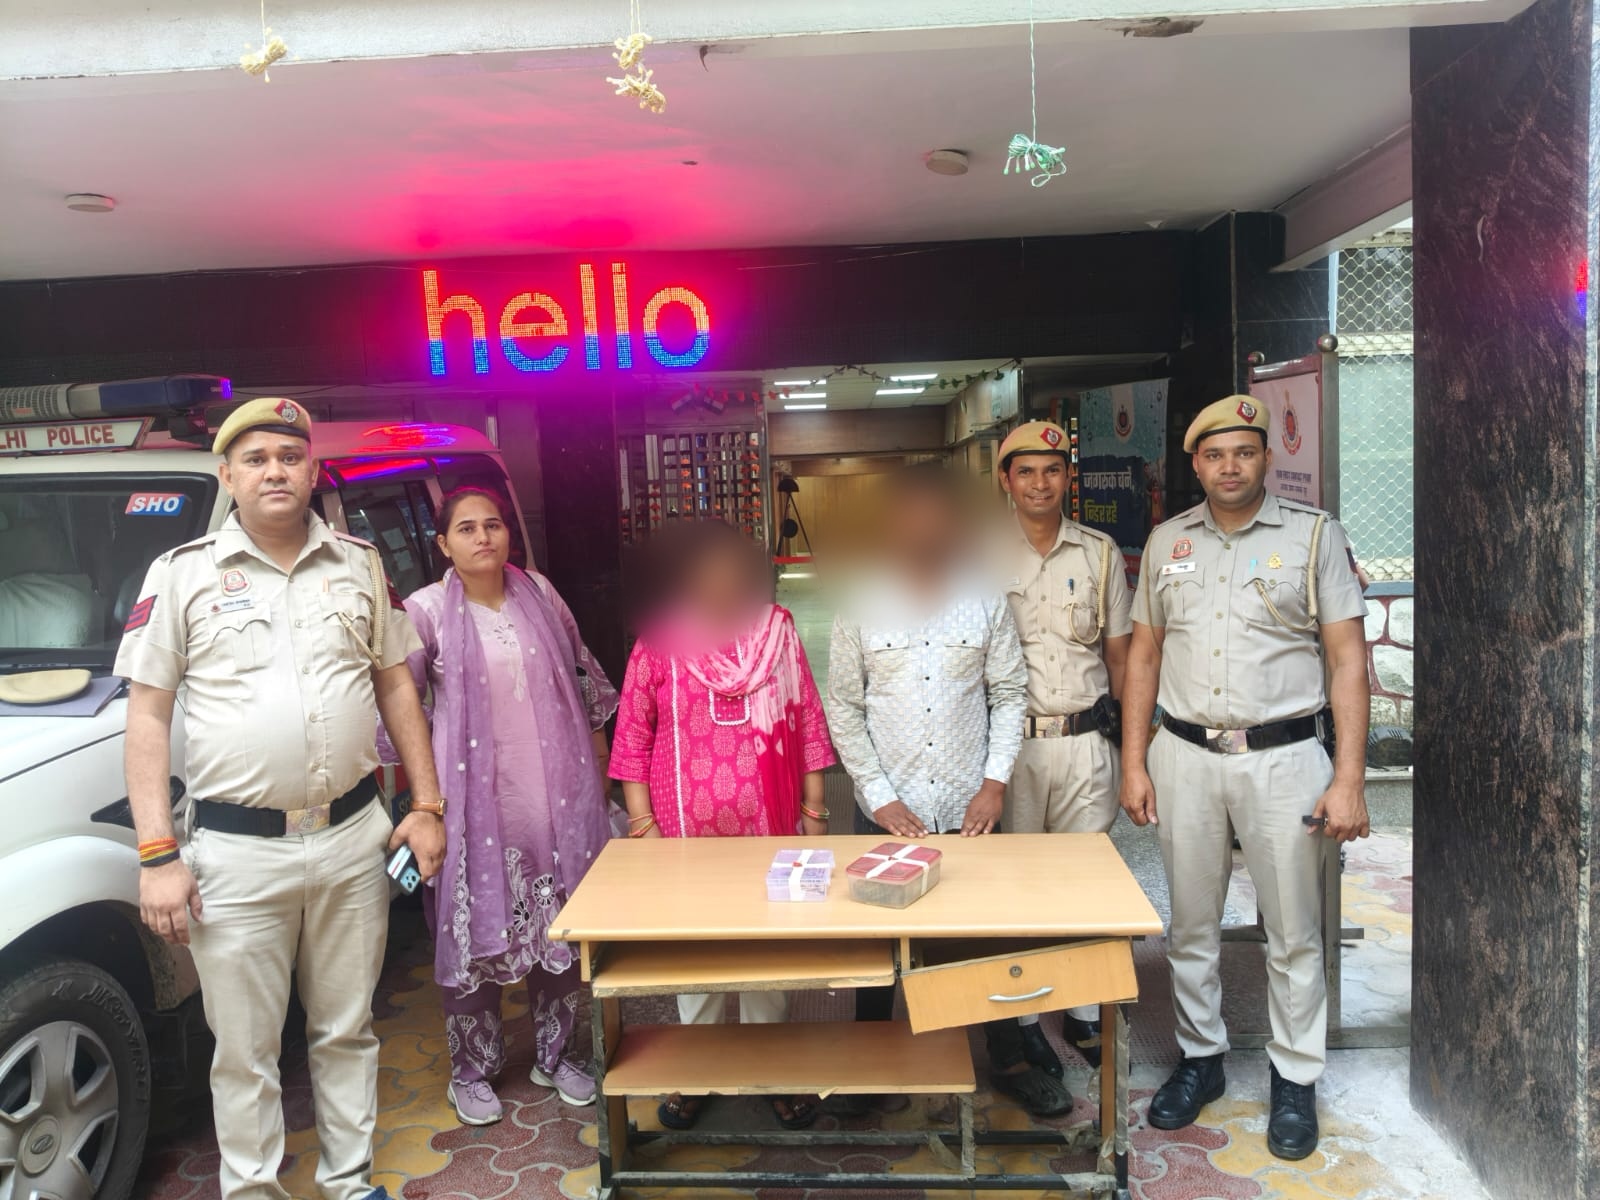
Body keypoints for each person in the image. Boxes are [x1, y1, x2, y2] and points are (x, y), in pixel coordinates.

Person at [117, 398, 448, 1200]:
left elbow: (395, 686)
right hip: (236, 856)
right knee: (245, 1051)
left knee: (347, 1030)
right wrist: (158, 854)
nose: (275, 471)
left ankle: (349, 1182)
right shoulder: (183, 574)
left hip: (352, 838)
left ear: (312, 471)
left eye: (290, 458)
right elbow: (148, 716)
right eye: (256, 459)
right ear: (228, 476)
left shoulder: (359, 564)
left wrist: (427, 806)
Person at [1119, 395, 1370, 1161]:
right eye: (1215, 455)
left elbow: (1346, 660)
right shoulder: (1166, 542)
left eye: (1245, 452)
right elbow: (1144, 655)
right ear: (1196, 465)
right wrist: (1134, 760)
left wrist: (1349, 779)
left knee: (1293, 930)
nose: (1230, 466)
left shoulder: (1314, 536)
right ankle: (1202, 1058)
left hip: (1285, 760)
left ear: (1266, 458)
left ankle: (1295, 1076)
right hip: (1186, 755)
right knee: (1190, 924)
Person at [826, 463, 1071, 1118]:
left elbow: (1009, 693)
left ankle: (1009, 1062)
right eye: (911, 514)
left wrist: (994, 783)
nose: (924, 527)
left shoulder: (983, 597)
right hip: (887, 809)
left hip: (971, 810)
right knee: (878, 949)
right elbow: (845, 707)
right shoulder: (860, 602)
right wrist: (877, 794)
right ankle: (871, 1070)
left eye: (937, 515)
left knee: (985, 939)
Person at [394, 487, 618, 1125]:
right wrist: (422, 802)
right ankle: (472, 1069)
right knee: (474, 938)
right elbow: (400, 706)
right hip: (473, 806)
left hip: (555, 799)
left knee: (558, 928)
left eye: (492, 525)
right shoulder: (425, 611)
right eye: (466, 529)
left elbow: (581, 673)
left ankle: (558, 1054)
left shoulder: (540, 594)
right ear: (443, 544)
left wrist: (598, 768)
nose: (483, 537)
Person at [608, 518, 834, 1131]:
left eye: (734, 572)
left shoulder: (776, 634)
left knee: (768, 957)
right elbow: (633, 736)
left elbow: (808, 718)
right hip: (684, 837)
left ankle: (771, 1071)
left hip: (770, 829)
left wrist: (814, 812)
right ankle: (697, 1072)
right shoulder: (659, 642)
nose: (723, 584)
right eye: (709, 574)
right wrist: (643, 827)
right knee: (696, 958)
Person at [992, 421, 1133, 1079]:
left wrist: (1132, 751)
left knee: (1084, 884)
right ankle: (1024, 1021)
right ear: (1006, 480)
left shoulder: (1099, 555)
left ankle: (1080, 1010)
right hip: (1010, 749)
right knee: (1018, 887)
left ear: (1068, 478)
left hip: (1085, 743)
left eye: (1052, 470)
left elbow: (1121, 657)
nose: (1040, 483)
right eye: (1026, 471)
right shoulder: (980, 556)